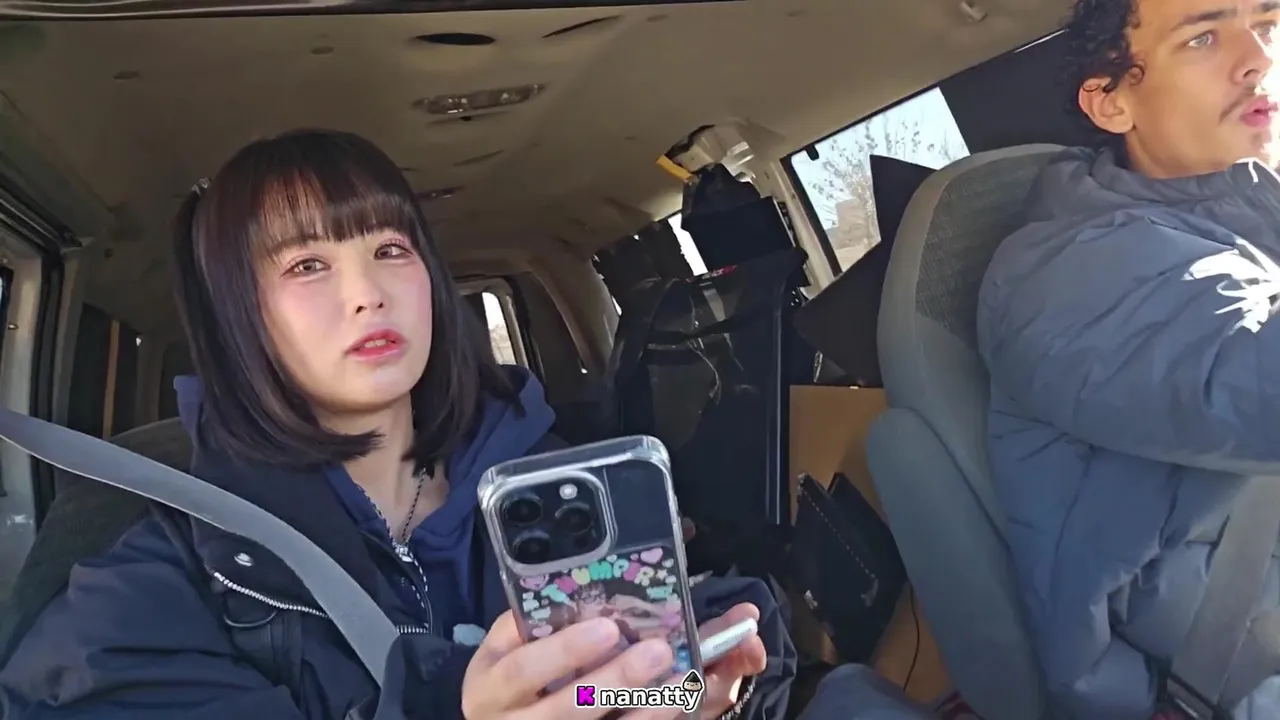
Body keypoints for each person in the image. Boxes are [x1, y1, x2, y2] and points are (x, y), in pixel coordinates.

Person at [0, 129, 796, 719]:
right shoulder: (182, 565)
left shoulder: (545, 478)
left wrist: (695, 695)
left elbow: (669, 658)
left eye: (390, 249)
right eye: (307, 265)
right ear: (240, 317)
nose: (367, 294)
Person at [976, 0, 1280, 717]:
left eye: (1266, 26)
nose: (1259, 59)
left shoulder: (1241, 211)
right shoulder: (1062, 270)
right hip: (1232, 656)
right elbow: (1252, 381)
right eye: (1203, 37)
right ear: (1112, 102)